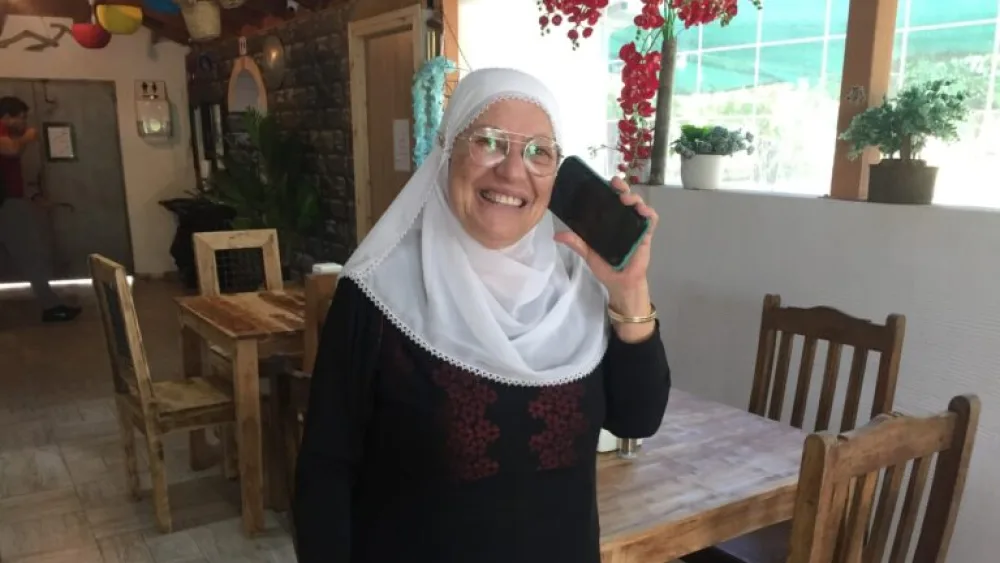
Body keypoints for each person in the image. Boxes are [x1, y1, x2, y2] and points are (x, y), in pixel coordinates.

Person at [293, 68, 671, 563]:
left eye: (539, 152)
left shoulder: (577, 291)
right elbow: (326, 470)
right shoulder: (377, 295)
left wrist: (630, 289)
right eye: (489, 142)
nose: (513, 173)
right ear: (447, 151)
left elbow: (637, 418)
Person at [0, 96, 81, 322]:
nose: (24, 123)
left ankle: (51, 304)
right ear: (6, 117)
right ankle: (51, 306)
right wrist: (27, 137)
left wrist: (33, 196)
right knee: (31, 254)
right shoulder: (5, 132)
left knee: (30, 254)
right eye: (21, 118)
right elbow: (10, 150)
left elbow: (12, 175)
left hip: (10, 201)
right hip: (7, 206)